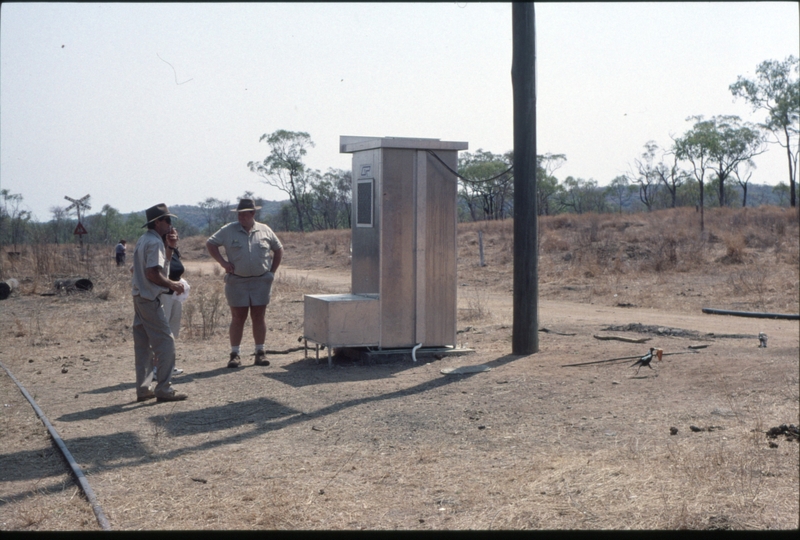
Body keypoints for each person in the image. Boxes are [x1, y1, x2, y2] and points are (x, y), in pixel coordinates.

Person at [206, 198, 283, 368]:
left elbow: (278, 249)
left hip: (260, 281)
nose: (241, 217)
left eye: (244, 214)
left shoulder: (265, 230)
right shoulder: (228, 230)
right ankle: (235, 354)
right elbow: (210, 243)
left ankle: (260, 352)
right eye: (239, 214)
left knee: (258, 316)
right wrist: (223, 263)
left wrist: (272, 272)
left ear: (253, 214)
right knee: (238, 317)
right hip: (237, 282)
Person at [131, 204, 187, 402]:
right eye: (167, 220)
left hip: (140, 297)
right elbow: (153, 273)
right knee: (166, 342)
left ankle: (144, 388)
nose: (170, 225)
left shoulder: (145, 240)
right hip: (149, 298)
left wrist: (170, 247)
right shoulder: (154, 242)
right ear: (158, 222)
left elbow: (149, 269)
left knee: (143, 345)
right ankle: (163, 389)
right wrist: (172, 284)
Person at [152, 227, 187, 378]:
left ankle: (169, 366)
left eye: (175, 233)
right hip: (163, 295)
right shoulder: (158, 250)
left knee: (171, 332)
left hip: (175, 296)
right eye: (170, 233)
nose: (174, 235)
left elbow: (175, 270)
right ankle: (154, 367)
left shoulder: (175, 251)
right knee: (161, 332)